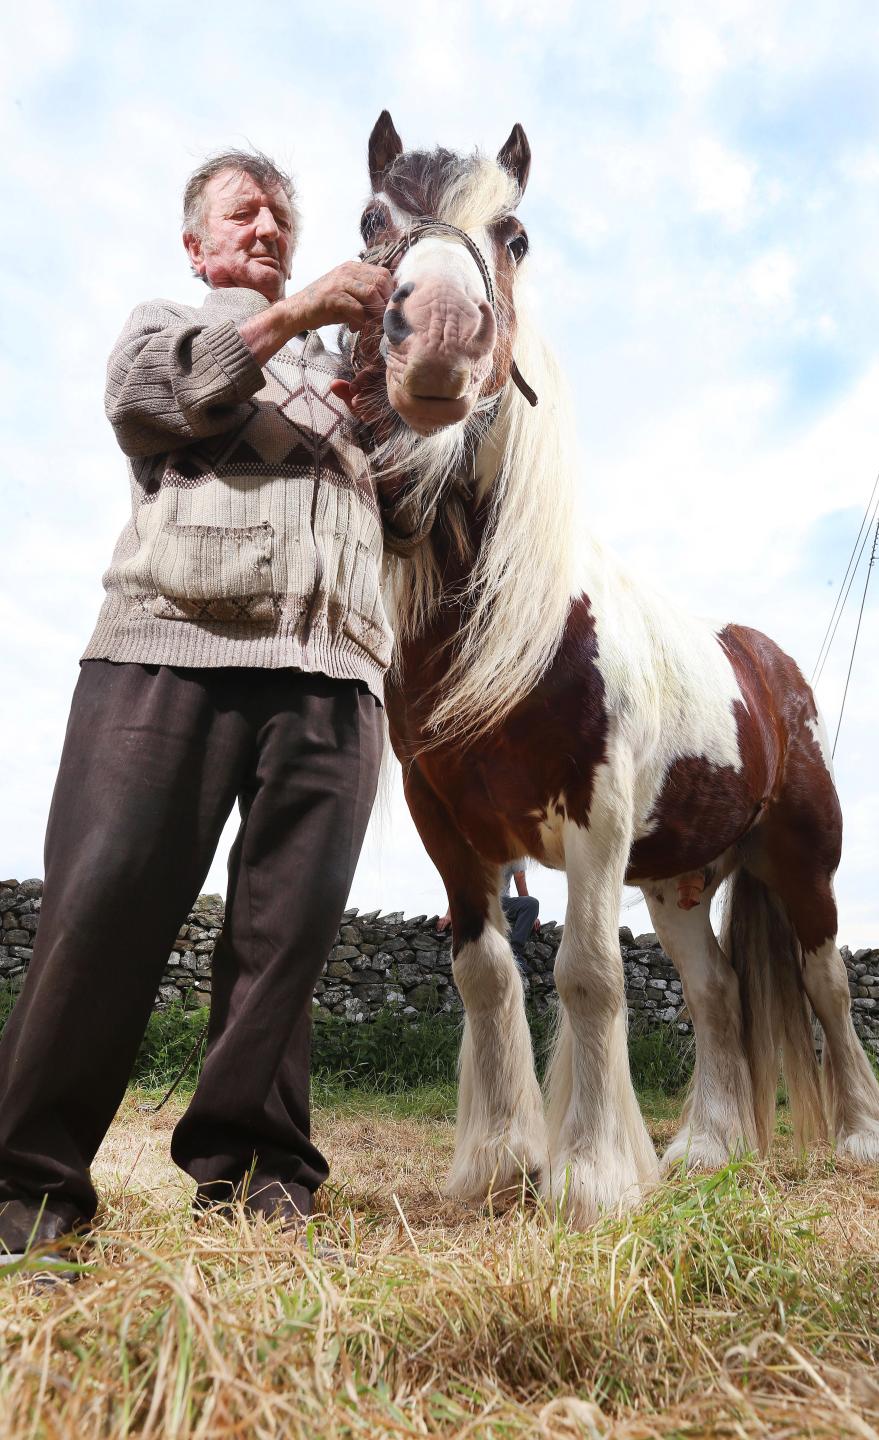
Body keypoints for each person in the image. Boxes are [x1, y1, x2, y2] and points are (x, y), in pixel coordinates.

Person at [0, 149, 423, 1263]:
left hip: (334, 675)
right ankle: (28, 1192)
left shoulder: (346, 374)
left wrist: (411, 392)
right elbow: (151, 404)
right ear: (199, 244)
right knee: (103, 912)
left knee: (284, 944)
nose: (272, 224)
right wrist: (294, 315)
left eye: (284, 212)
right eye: (247, 212)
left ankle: (257, 1187)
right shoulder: (170, 322)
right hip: (169, 648)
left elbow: (415, 522)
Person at [437, 860, 540, 970]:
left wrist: (531, 917)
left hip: (501, 903)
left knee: (531, 904)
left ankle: (515, 954)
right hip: (478, 903)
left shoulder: (515, 853)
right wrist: (449, 914)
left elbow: (520, 881)